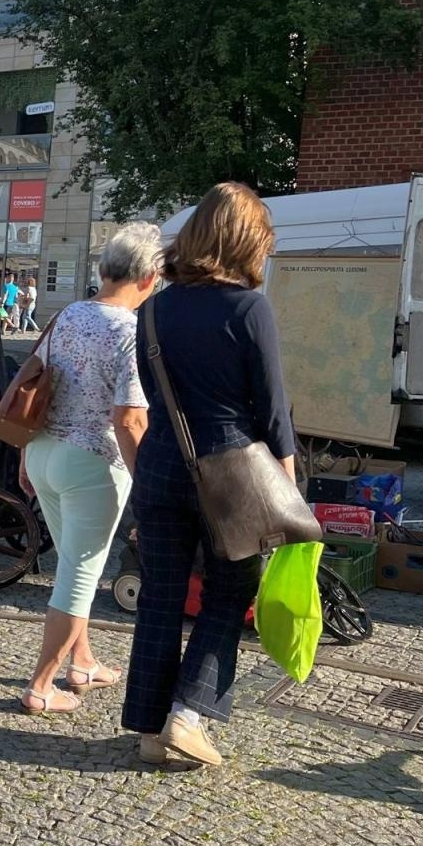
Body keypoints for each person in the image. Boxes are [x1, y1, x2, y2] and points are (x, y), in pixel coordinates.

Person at [122, 182, 294, 768]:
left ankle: (147, 728)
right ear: (247, 242)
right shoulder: (251, 309)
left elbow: (150, 395)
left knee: (161, 598)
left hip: (162, 463)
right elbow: (272, 410)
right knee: (229, 593)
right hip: (233, 472)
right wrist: (289, 485)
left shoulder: (153, 309)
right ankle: (188, 716)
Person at [17, 224, 161, 716]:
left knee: (75, 565)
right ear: (150, 278)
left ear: (102, 270)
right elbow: (130, 419)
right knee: (79, 576)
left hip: (43, 453)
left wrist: (23, 454)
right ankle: (40, 687)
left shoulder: (67, 315)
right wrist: (147, 485)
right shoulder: (131, 333)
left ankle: (83, 663)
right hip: (93, 465)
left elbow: (32, 385)